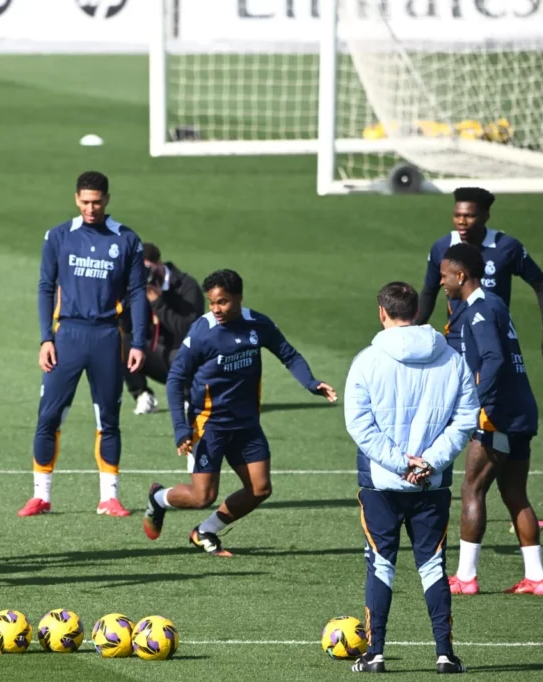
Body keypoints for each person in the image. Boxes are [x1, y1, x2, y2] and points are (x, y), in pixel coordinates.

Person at [143, 269, 337, 556]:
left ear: (238, 298)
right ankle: (158, 499)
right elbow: (175, 379)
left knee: (260, 489)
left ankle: (205, 531)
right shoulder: (202, 331)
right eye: (212, 303)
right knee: (202, 496)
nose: (216, 309)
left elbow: (289, 354)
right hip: (209, 424)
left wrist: (311, 383)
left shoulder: (257, 324)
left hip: (246, 423)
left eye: (222, 302)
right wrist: (181, 428)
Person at [343, 281, 477, 674]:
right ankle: (445, 655)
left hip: (381, 484)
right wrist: (430, 462)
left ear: (382, 312)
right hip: (431, 484)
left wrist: (399, 463)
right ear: (417, 313)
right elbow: (466, 418)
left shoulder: (367, 361)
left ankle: (376, 654)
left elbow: (360, 424)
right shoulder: (451, 359)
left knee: (381, 564)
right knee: (433, 566)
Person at [21, 170, 148, 518]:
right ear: (76, 199)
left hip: (108, 337)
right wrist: (46, 337)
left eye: (97, 202)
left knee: (108, 417)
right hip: (67, 338)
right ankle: (41, 496)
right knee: (48, 416)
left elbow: (137, 294)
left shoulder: (126, 239)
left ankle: (109, 498)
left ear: (107, 199)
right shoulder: (59, 236)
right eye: (85, 202)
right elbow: (46, 287)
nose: (91, 208)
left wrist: (138, 342)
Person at [439, 244, 543, 596]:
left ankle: (466, 577)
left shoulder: (479, 312)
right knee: (515, 492)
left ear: (460, 275)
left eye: (444, 276)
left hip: (496, 415)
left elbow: (494, 358)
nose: (441, 282)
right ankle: (536, 578)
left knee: (472, 488)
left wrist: (474, 403)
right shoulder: (495, 303)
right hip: (521, 409)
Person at [416, 187, 543, 363]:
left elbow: (541, 285)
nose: (461, 221)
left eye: (469, 216)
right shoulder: (442, 247)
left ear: (486, 215)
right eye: (457, 215)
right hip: (456, 341)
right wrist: (410, 332)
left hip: (496, 339)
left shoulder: (506, 247)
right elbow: (429, 292)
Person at [123, 242, 204, 416]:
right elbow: (128, 327)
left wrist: (158, 302)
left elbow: (189, 331)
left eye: (148, 269)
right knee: (119, 341)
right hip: (158, 356)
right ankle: (142, 395)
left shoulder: (186, 286)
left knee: (184, 352)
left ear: (159, 263)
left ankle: (188, 397)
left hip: (185, 358)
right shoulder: (137, 288)